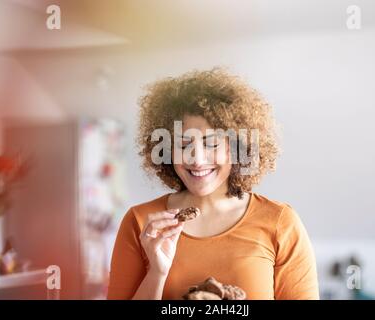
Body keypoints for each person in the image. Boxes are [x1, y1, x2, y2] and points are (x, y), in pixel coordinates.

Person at [107, 68, 319, 300]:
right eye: (183, 144)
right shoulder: (140, 223)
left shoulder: (280, 223)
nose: (196, 159)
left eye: (212, 144)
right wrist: (157, 273)